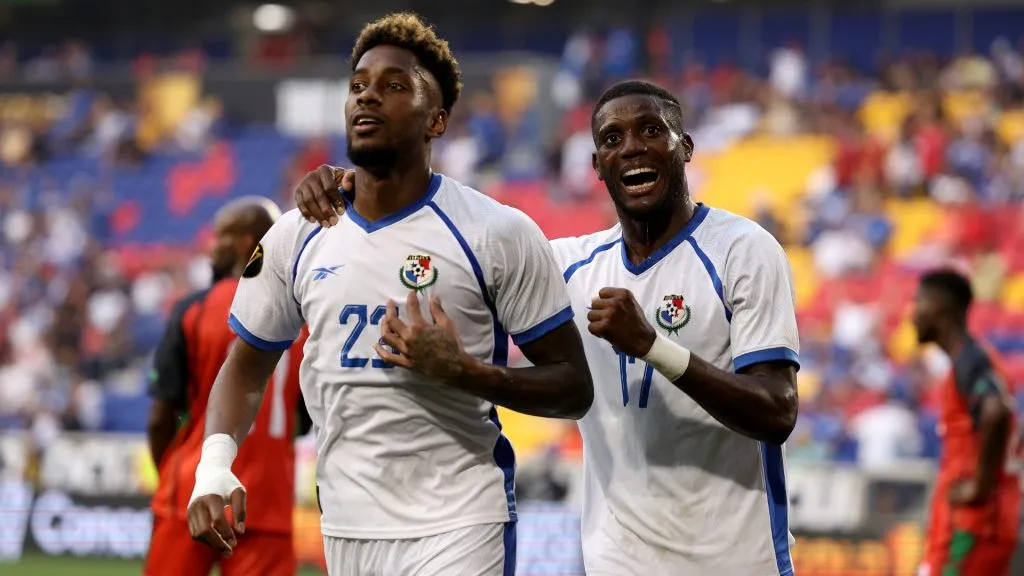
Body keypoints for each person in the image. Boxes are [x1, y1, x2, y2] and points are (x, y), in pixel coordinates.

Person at [295, 79, 802, 575]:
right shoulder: (566, 266)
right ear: (596, 168)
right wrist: (363, 189)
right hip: (616, 564)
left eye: (651, 131)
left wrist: (652, 346)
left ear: (685, 147)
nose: (631, 148)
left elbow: (777, 413)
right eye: (611, 140)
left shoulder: (743, 250)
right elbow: (453, 245)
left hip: (739, 561)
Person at [186, 12, 593, 576]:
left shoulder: (496, 232)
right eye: (358, 87)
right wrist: (214, 468)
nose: (367, 98)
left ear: (438, 120)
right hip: (347, 526)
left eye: (395, 87)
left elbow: (574, 386)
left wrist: (466, 372)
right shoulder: (296, 233)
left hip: (462, 520)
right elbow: (247, 366)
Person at [146, 197, 310, 576]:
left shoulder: (195, 309)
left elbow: (160, 416)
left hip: (191, 489)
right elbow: (303, 420)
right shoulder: (305, 319)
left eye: (219, 238)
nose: (210, 249)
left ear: (242, 243)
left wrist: (168, 479)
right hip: (268, 499)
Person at [911, 269, 1020, 576]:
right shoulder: (975, 361)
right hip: (983, 524)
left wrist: (979, 487)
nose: (912, 315)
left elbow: (996, 411)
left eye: (918, 302)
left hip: (971, 526)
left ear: (940, 306)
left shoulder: (970, 361)